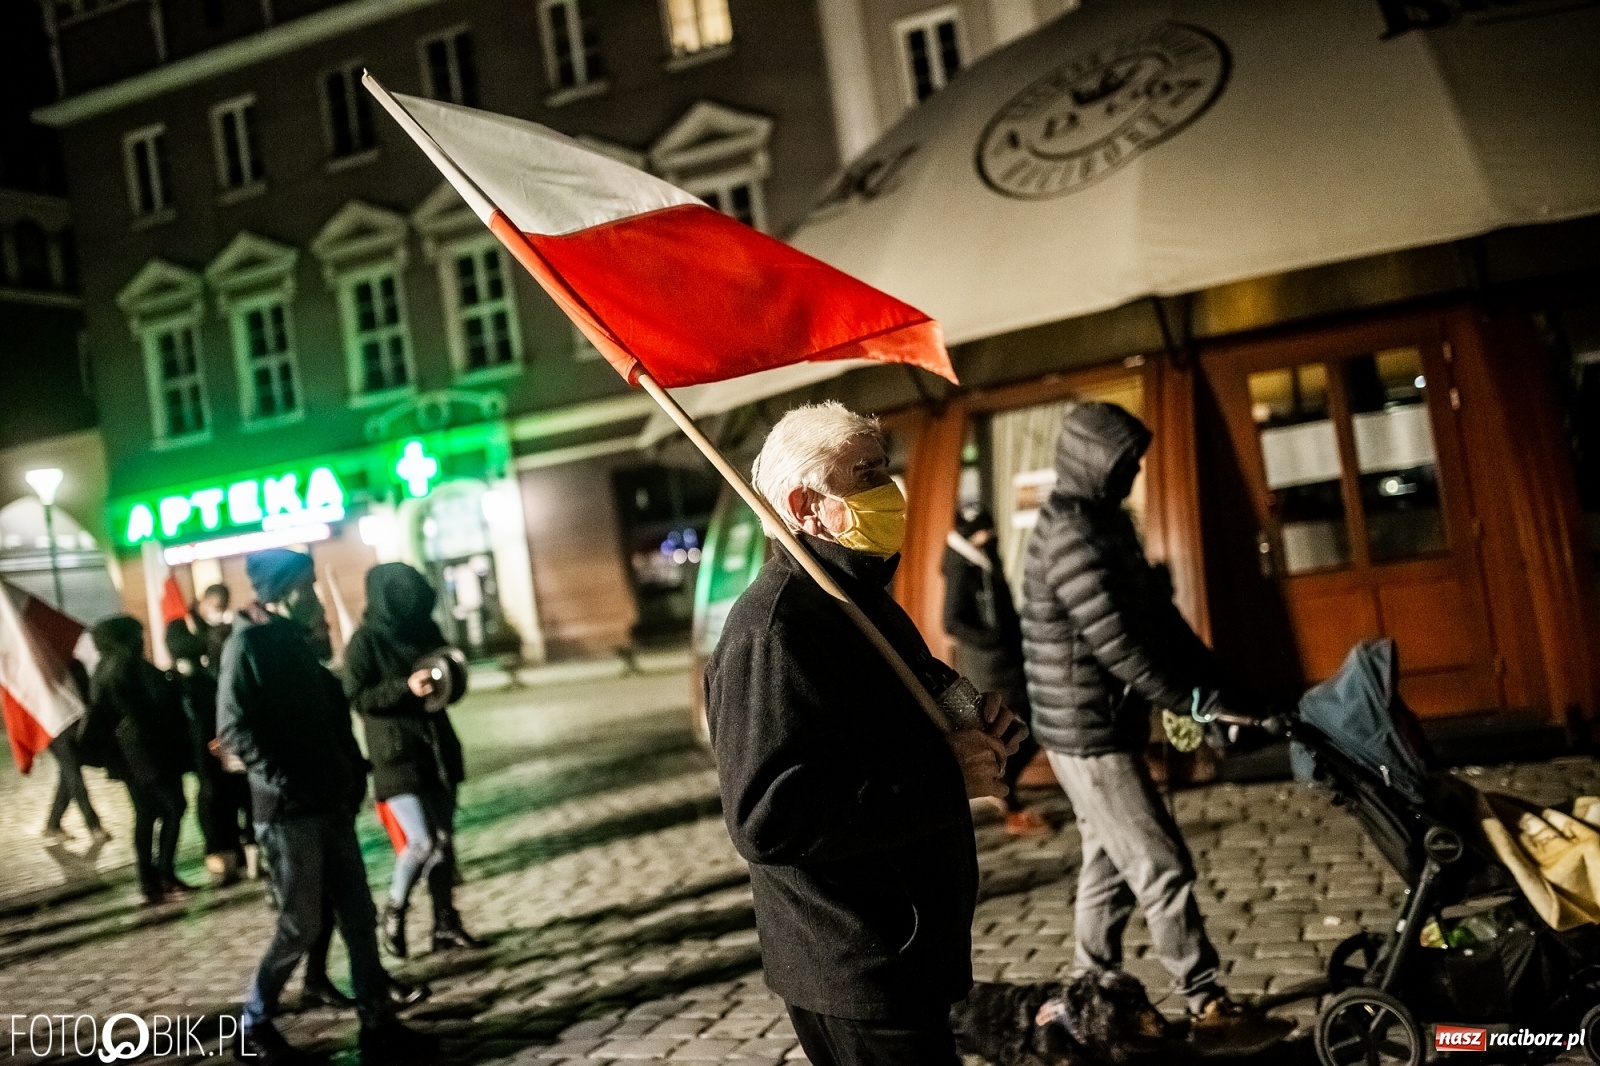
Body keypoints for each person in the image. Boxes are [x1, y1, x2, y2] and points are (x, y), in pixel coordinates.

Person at [708, 402, 1021, 1066]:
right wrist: (944, 773)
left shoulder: (857, 598)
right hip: (857, 962)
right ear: (804, 506)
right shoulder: (773, 630)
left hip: (907, 948)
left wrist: (975, 722)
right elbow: (767, 818)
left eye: (885, 467)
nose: (890, 488)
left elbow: (907, 710)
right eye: (866, 474)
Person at [1020, 402, 1275, 1043]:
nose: (1135, 471)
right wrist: (1194, 703)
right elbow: (1122, 647)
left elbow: (1161, 622)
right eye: (1125, 461)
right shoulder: (1072, 535)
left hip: (1097, 725)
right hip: (1087, 731)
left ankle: (1088, 993)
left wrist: (1224, 686)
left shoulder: (1104, 523)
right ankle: (1204, 1001)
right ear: (1092, 461)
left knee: (1108, 866)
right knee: (1161, 865)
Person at [217, 548, 433, 1064]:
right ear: (279, 592)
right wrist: (284, 780)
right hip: (288, 811)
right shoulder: (246, 645)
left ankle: (377, 1023)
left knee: (358, 916)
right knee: (300, 924)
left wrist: (348, 773)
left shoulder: (296, 641)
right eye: (305, 587)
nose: (314, 597)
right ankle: (253, 1022)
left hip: (330, 804)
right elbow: (234, 728)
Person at [345, 562, 480, 959]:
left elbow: (447, 676)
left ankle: (445, 922)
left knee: (444, 844)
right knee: (421, 843)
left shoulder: (425, 631)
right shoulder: (365, 641)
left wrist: (448, 680)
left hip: (436, 749)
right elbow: (359, 697)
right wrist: (405, 687)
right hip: (396, 755)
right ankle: (395, 912)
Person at [943, 505, 1049, 837]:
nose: (989, 537)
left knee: (1029, 729)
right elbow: (952, 621)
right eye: (982, 531)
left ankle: (1005, 796)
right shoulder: (961, 565)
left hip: (1009, 663)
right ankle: (1007, 801)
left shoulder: (986, 559)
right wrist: (994, 640)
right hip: (992, 668)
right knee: (1016, 730)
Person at [82, 615, 193, 904]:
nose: (142, 641)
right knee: (174, 807)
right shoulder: (129, 665)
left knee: (145, 813)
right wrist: (174, 683)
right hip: (149, 751)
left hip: (124, 756)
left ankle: (147, 879)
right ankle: (165, 874)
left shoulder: (103, 668)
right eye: (138, 635)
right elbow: (154, 703)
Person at [167, 583, 256, 885]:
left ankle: (243, 847)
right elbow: (183, 649)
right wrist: (213, 635)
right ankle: (219, 849)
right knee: (212, 789)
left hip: (228, 719)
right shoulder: (183, 625)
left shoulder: (225, 629)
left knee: (238, 782)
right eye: (215, 607)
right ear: (203, 603)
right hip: (202, 724)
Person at [42, 659, 110, 845]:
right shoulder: (50, 666)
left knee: (68, 776)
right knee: (73, 775)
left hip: (69, 727)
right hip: (57, 729)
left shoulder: (68, 664)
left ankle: (52, 825)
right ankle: (94, 826)